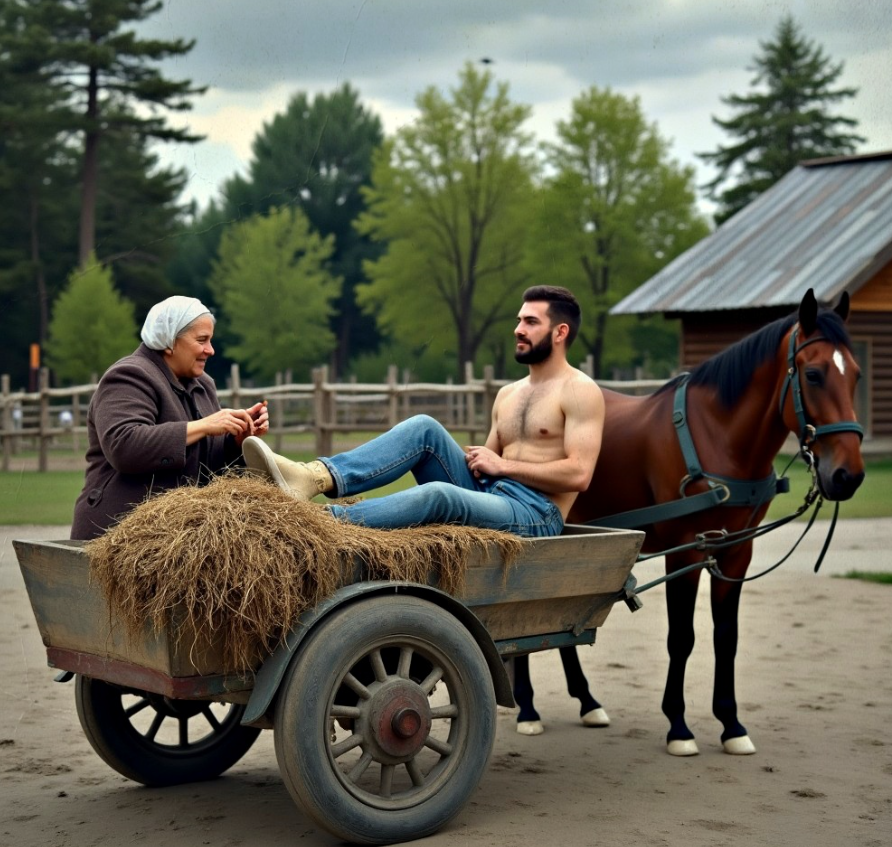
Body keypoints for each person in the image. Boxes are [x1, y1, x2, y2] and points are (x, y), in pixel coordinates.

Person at [242, 286, 604, 538]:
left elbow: (580, 474)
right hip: (494, 493)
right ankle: (312, 477)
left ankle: (319, 523)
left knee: (439, 497)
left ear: (560, 332)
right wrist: (485, 461)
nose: (517, 329)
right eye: (519, 320)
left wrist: (503, 466)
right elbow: (487, 463)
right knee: (423, 427)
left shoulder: (580, 390)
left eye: (530, 322)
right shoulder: (509, 393)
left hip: (535, 513)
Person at [71, 296, 269, 540]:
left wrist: (237, 441)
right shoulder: (128, 376)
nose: (210, 350)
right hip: (117, 534)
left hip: (174, 538)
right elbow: (124, 446)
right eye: (201, 340)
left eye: (210, 340)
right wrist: (204, 426)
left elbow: (206, 470)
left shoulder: (204, 385)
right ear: (169, 341)